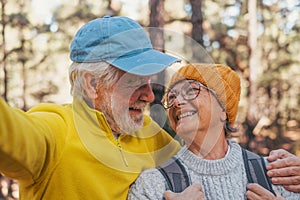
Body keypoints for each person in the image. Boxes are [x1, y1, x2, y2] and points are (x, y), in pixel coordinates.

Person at [0, 16, 299, 200]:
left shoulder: (148, 134)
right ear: (93, 85)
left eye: (150, 82)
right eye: (135, 82)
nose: (150, 96)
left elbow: (205, 161)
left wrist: (285, 170)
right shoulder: (51, 132)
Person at [127, 63, 300, 200]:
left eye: (191, 91)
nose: (177, 102)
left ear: (224, 110)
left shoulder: (278, 175)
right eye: (171, 97)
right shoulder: (152, 183)